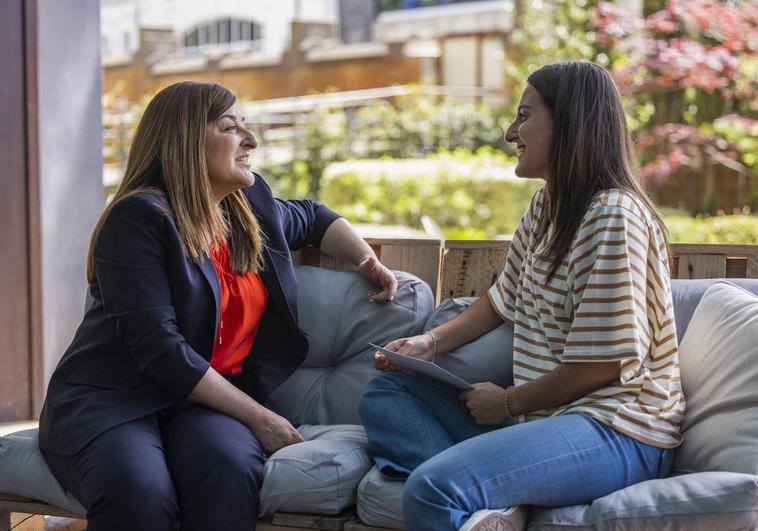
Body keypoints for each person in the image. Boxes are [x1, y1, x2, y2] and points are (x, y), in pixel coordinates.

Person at [39, 81, 398, 531]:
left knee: (227, 470)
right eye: (231, 128)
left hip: (205, 404)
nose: (250, 140)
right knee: (140, 492)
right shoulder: (139, 219)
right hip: (115, 399)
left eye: (246, 126)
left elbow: (313, 216)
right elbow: (160, 350)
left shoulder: (248, 209)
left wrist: (367, 260)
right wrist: (263, 418)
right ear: (187, 140)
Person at [359, 61, 684, 531]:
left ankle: (488, 488)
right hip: (544, 421)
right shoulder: (546, 206)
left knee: (433, 489)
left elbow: (602, 364)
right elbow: (501, 299)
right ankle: (500, 500)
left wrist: (510, 403)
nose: (512, 132)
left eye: (524, 115)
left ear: (570, 125)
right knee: (391, 391)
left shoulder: (613, 216)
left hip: (619, 430)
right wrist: (429, 344)